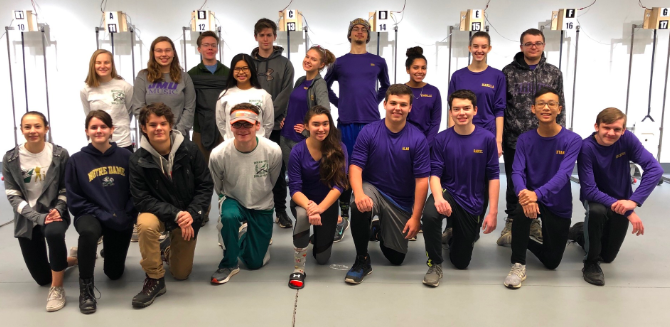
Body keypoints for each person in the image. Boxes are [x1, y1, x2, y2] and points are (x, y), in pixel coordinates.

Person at [129, 103, 213, 308]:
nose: (158, 128)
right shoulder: (137, 160)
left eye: (163, 123)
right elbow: (141, 199)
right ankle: (155, 278)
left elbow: (205, 186)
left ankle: (166, 250)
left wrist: (193, 213)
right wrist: (176, 214)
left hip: (188, 214)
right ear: (144, 128)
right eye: (152, 124)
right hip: (159, 213)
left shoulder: (190, 150)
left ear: (170, 125)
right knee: (145, 224)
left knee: (181, 273)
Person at [344, 84, 429, 285]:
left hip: (399, 200)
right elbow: (355, 167)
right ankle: (362, 260)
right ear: (385, 104)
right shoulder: (369, 132)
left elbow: (421, 182)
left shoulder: (417, 138)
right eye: (393, 103)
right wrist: (359, 193)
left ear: (410, 108)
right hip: (372, 188)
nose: (397, 108)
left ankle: (377, 229)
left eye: (403, 104)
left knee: (395, 258)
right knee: (359, 206)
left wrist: (416, 218)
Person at [569, 108, 662, 286]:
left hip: (623, 199)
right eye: (607, 128)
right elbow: (589, 190)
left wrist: (633, 202)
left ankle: (579, 232)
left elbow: (655, 169)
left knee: (608, 256)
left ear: (624, 130)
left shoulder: (627, 140)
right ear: (597, 126)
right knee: (596, 212)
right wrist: (629, 212)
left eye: (617, 129)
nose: (611, 133)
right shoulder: (586, 147)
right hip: (596, 197)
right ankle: (590, 263)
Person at [503, 87, 581, 289]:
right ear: (533, 109)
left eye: (551, 104)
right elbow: (517, 172)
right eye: (541, 104)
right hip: (529, 200)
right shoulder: (525, 139)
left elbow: (564, 175)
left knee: (551, 262)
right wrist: (525, 196)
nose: (546, 107)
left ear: (559, 109)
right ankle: (518, 263)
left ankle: (521, 239)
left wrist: (535, 195)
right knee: (520, 213)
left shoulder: (572, 140)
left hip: (556, 201)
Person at [421, 90, 500, 287]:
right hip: (449, 192)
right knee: (430, 215)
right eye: (456, 109)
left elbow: (494, 176)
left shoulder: (487, 139)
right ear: (451, 112)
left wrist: (493, 212)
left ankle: (453, 234)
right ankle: (435, 264)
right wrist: (438, 198)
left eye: (466, 108)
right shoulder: (441, 139)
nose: (461, 112)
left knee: (461, 262)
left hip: (473, 200)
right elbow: (435, 174)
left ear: (475, 110)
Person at [3, 111, 76, 312]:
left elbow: (65, 188)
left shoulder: (60, 154)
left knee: (54, 233)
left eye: (37, 126)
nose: (32, 131)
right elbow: (12, 195)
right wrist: (37, 217)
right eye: (27, 127)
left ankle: (57, 288)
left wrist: (58, 210)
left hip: (54, 213)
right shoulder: (10, 158)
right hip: (27, 218)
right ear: (21, 130)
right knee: (41, 278)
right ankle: (70, 259)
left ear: (46, 128)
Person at [498, 28, 565, 246]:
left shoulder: (554, 73)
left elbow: (560, 106)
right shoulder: (507, 72)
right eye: (528, 43)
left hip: (545, 141)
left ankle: (535, 222)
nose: (533, 46)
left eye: (537, 43)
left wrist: (560, 134)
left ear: (544, 45)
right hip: (514, 139)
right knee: (513, 180)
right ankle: (512, 219)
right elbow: (501, 107)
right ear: (521, 47)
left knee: (542, 181)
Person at [325, 18, 390, 236]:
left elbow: (387, 87)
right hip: (346, 122)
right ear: (350, 34)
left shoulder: (378, 61)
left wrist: (374, 100)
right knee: (344, 169)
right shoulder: (339, 63)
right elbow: (324, 87)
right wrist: (339, 102)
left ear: (368, 35)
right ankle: (342, 216)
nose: (360, 32)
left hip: (371, 121)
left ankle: (373, 213)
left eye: (364, 29)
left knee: (373, 167)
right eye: (356, 29)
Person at [65, 111, 135, 314]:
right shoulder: (76, 161)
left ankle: (98, 252)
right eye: (94, 127)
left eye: (103, 126)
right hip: (90, 215)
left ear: (112, 130)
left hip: (120, 216)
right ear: (87, 131)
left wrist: (127, 214)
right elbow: (75, 199)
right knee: (88, 232)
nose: (99, 131)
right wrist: (104, 215)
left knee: (114, 274)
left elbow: (136, 191)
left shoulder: (127, 157)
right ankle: (86, 289)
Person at [209, 103, 282, 284]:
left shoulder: (272, 151)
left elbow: (272, 180)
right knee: (229, 216)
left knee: (255, 263)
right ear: (230, 126)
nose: (243, 129)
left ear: (258, 125)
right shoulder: (218, 154)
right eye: (237, 124)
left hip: (262, 203)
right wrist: (226, 201)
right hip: (233, 198)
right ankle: (229, 263)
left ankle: (239, 235)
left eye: (248, 124)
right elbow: (218, 186)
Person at [280, 45, 339, 235]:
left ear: (321, 64)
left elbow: (324, 112)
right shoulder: (300, 80)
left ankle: (317, 215)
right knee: (294, 180)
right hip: (286, 136)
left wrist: (307, 132)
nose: (308, 60)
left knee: (308, 180)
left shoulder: (319, 84)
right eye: (307, 57)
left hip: (301, 140)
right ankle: (303, 215)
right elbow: (294, 104)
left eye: (313, 59)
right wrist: (286, 118)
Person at [286, 106, 348, 289]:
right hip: (302, 202)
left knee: (322, 259)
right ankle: (299, 268)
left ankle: (330, 229)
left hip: (327, 204)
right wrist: (311, 207)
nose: (321, 128)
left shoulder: (339, 148)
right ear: (306, 126)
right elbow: (295, 189)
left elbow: (339, 185)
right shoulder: (297, 151)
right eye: (316, 124)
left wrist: (320, 208)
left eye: (325, 124)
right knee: (304, 217)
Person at [251, 18, 295, 229]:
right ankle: (256, 211)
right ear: (256, 37)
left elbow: (286, 94)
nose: (266, 39)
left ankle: (280, 211)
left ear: (275, 37)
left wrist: (268, 116)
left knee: (277, 171)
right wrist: (255, 118)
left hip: (278, 125)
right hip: (252, 127)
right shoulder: (249, 64)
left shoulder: (285, 64)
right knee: (255, 171)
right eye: (262, 35)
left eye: (269, 35)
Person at [188, 30, 229, 226]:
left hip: (224, 131)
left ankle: (228, 212)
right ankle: (202, 212)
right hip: (199, 130)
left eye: (213, 44)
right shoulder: (191, 75)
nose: (210, 48)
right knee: (201, 174)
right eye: (206, 45)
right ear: (199, 48)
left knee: (227, 172)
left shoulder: (228, 73)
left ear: (217, 47)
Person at [131, 36, 195, 139]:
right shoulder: (143, 76)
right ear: (153, 54)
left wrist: (177, 132)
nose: (164, 54)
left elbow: (190, 108)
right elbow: (138, 107)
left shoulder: (184, 77)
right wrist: (152, 129)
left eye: (167, 50)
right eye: (159, 51)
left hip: (179, 136)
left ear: (173, 53)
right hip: (151, 136)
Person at [80, 49, 134, 152]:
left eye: (106, 62)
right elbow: (89, 116)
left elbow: (129, 112)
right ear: (93, 65)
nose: (103, 66)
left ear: (112, 64)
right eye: (98, 62)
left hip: (122, 142)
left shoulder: (125, 86)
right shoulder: (85, 89)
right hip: (97, 144)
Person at [215, 54, 273, 141]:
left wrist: (260, 141)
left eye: (245, 68)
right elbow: (221, 123)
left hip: (258, 146)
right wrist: (230, 139)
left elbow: (268, 124)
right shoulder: (224, 95)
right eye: (237, 69)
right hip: (232, 146)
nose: (241, 72)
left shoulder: (264, 95)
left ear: (252, 70)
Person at [405, 46, 442, 146]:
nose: (420, 71)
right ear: (408, 69)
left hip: (427, 143)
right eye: (415, 67)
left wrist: (426, 144)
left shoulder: (434, 91)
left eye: (423, 68)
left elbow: (435, 122)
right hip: (404, 141)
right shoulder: (401, 91)